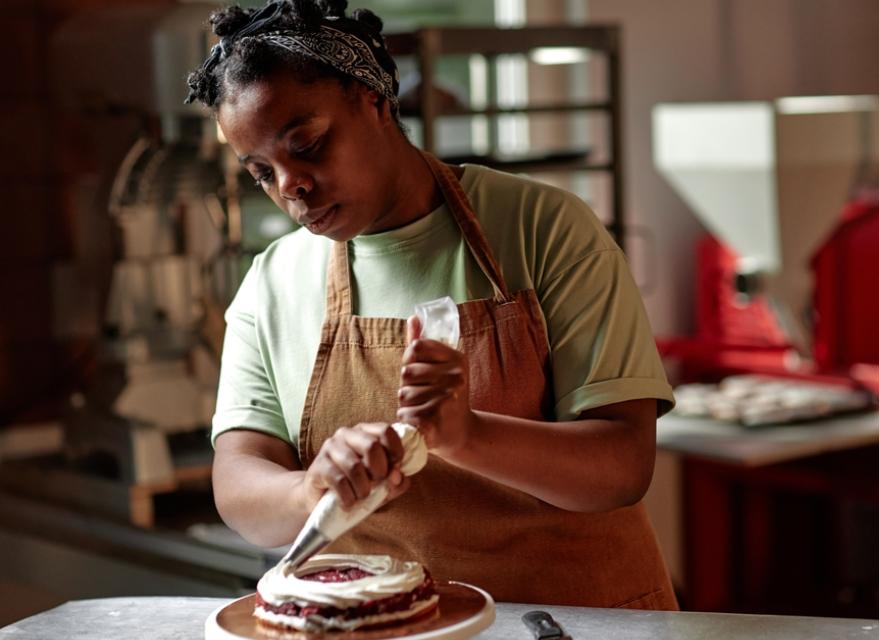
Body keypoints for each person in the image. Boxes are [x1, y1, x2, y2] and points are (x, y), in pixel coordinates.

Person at [187, 0, 678, 610]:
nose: (290, 186)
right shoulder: (274, 284)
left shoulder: (543, 229)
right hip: (386, 627)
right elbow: (237, 482)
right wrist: (310, 489)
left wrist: (468, 435)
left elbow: (624, 465)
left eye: (307, 145)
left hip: (574, 620)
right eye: (261, 172)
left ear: (376, 101)